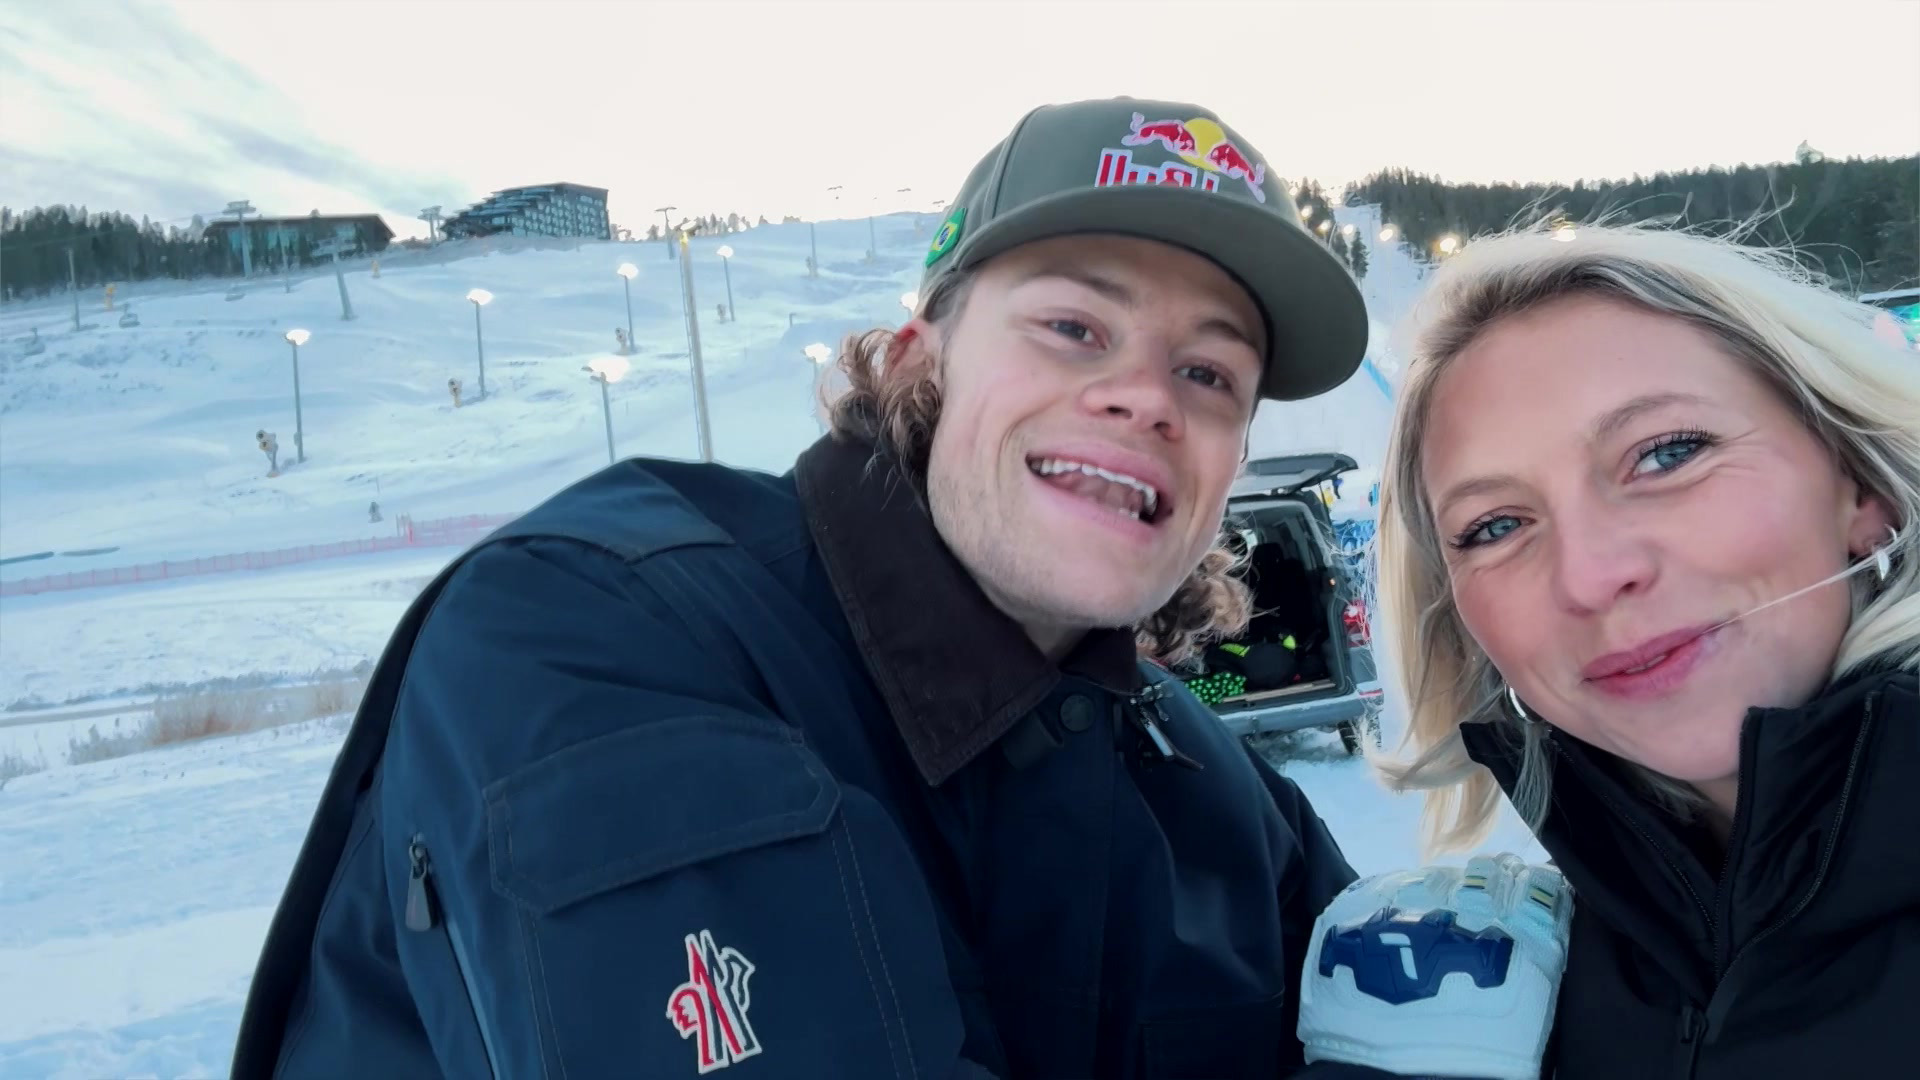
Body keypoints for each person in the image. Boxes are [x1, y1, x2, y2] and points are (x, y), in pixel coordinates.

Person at [230, 97, 1562, 1080]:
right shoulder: (600, 633)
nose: (1146, 396)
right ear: (920, 362)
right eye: (1073, 327)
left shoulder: (1208, 795)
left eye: (1209, 373)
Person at [1369, 222, 1918, 1076]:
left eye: (1667, 454)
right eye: (1497, 526)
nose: (1589, 577)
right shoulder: (1515, 999)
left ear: (1863, 489)